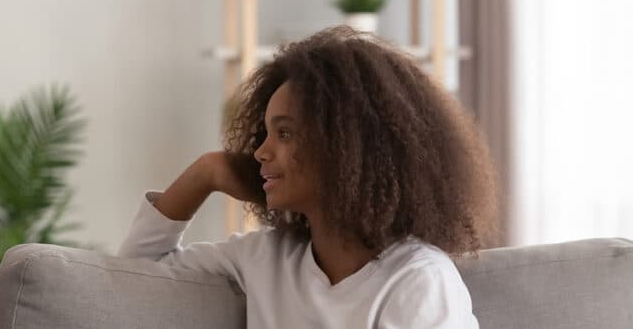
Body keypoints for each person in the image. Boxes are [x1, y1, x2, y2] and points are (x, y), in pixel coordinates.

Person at [118, 26, 496, 328]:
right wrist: (207, 172)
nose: (260, 153)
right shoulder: (266, 257)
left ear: (348, 146)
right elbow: (137, 275)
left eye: (284, 134)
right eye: (264, 134)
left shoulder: (419, 279)